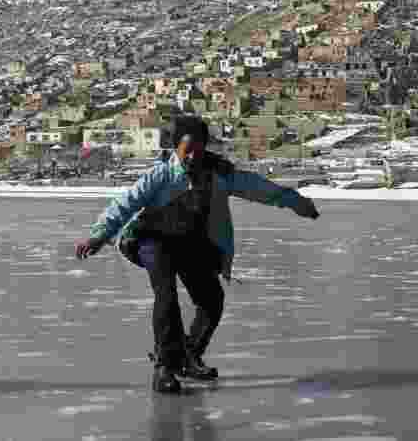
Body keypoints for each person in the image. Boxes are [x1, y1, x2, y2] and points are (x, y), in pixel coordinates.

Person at [75, 115, 322, 394]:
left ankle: (188, 356)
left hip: (190, 245)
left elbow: (258, 187)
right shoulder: (162, 175)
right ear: (175, 147)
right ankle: (164, 368)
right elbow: (126, 203)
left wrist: (297, 202)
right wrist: (98, 234)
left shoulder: (219, 175)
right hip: (151, 240)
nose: (192, 155)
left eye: (199, 148)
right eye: (186, 149)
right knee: (166, 294)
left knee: (211, 300)